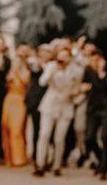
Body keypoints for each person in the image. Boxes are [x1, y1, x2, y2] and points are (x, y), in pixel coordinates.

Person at [34, 38, 87, 177]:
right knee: (44, 134)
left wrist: (76, 93)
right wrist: (51, 72)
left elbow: (79, 88)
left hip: (66, 106)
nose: (62, 60)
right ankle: (40, 164)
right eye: (60, 56)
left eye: (65, 57)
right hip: (49, 105)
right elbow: (42, 82)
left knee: (59, 138)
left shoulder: (76, 71)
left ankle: (57, 165)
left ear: (70, 58)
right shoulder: (51, 66)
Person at [84, 50, 107, 181]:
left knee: (104, 137)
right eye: (91, 60)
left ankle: (104, 169)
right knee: (89, 138)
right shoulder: (88, 71)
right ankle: (101, 159)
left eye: (95, 60)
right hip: (93, 109)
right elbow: (85, 84)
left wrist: (102, 74)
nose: (93, 63)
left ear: (101, 60)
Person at [1, 44, 30, 167]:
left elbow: (26, 85)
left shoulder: (26, 72)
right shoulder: (10, 72)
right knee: (6, 126)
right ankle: (8, 157)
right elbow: (6, 86)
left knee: (16, 129)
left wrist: (17, 73)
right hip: (9, 100)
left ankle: (19, 158)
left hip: (20, 100)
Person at [25, 44, 52, 166]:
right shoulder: (35, 63)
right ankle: (37, 156)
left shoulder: (53, 66)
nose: (44, 54)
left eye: (47, 52)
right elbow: (33, 69)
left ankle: (44, 156)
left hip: (49, 102)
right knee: (36, 130)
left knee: (45, 131)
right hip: (35, 102)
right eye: (42, 51)